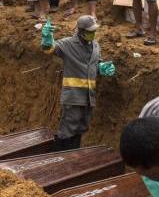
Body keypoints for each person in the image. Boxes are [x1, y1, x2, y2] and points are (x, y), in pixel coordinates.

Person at [41, 15, 116, 150]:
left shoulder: (95, 45)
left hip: (88, 97)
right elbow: (50, 49)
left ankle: (73, 157)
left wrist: (101, 67)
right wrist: (47, 39)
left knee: (81, 128)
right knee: (68, 130)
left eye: (94, 31)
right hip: (73, 97)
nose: (93, 34)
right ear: (81, 31)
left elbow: (95, 64)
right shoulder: (68, 44)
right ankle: (60, 157)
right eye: (90, 31)